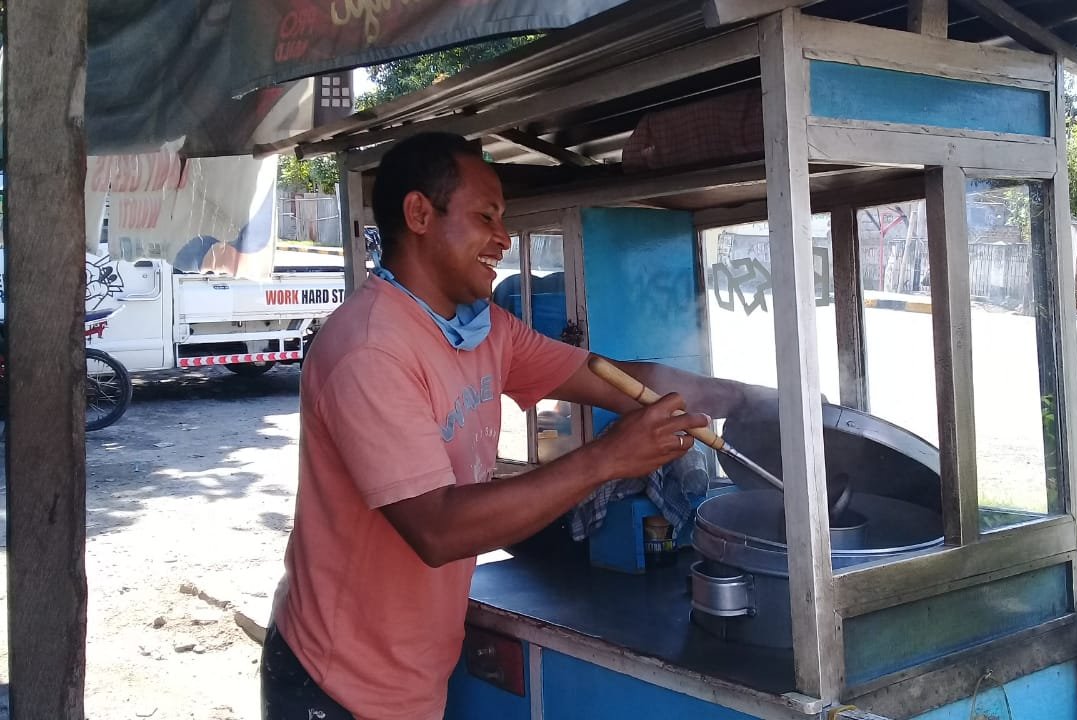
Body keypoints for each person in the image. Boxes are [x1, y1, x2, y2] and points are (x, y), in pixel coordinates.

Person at [262, 132, 771, 720]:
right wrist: (610, 458)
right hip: (332, 686)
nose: (503, 239)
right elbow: (437, 529)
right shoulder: (370, 349)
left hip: (413, 676)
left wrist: (748, 399)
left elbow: (606, 376)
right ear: (419, 213)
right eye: (486, 217)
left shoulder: (482, 330)